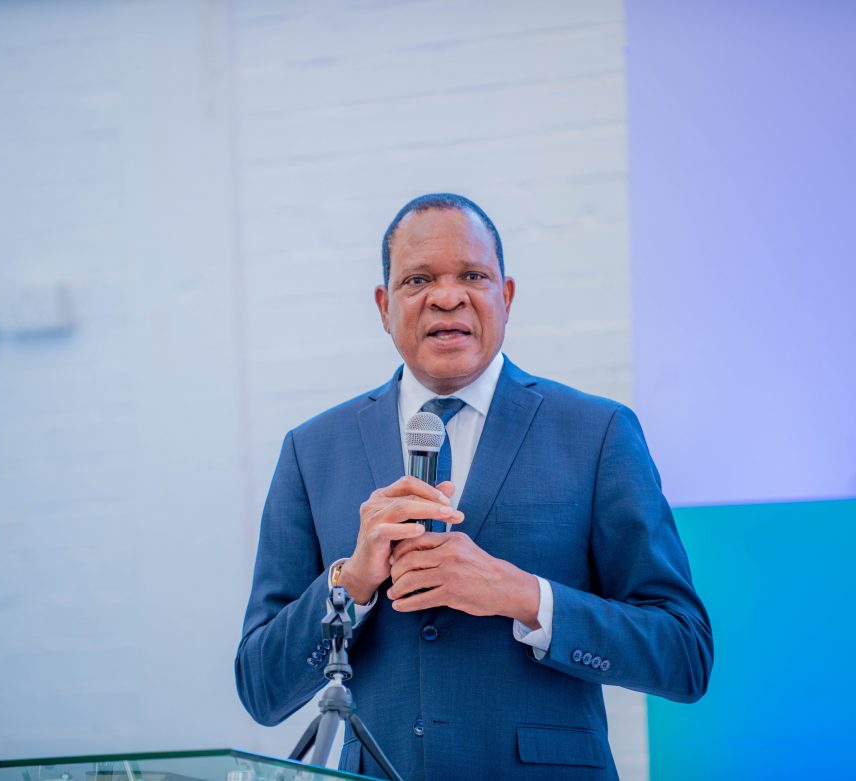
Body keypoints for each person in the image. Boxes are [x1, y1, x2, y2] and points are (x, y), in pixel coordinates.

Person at [235, 193, 712, 780]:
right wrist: (350, 583)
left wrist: (523, 595)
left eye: (472, 276)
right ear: (384, 306)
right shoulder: (312, 451)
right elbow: (260, 689)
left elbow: (683, 653)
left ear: (505, 297)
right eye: (418, 279)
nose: (446, 296)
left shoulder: (597, 433)